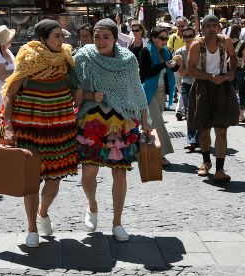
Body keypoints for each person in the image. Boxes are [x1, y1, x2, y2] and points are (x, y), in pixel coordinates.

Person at [70, 18, 152, 241]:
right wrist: (87, 94)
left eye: (106, 36)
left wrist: (145, 121)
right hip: (91, 122)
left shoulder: (127, 61)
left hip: (119, 123)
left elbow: (137, 93)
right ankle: (92, 205)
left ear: (116, 38)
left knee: (120, 174)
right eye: (96, 36)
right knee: (88, 173)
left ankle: (117, 222)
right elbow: (72, 84)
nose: (100, 41)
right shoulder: (84, 56)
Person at [0, 19, 79, 247]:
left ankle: (43, 212)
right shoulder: (28, 59)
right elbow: (10, 95)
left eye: (62, 35)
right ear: (43, 38)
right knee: (31, 181)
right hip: (30, 129)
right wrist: (9, 128)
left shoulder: (65, 58)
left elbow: (74, 84)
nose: (62, 40)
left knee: (54, 182)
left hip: (59, 130)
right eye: (57, 35)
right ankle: (32, 228)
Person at [187, 15, 240, 183]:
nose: (211, 28)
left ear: (219, 28)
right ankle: (205, 161)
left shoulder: (226, 41)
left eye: (214, 25)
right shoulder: (197, 45)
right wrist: (210, 77)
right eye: (208, 26)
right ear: (202, 28)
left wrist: (231, 72)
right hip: (203, 87)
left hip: (222, 87)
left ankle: (220, 169)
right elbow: (190, 69)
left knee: (221, 129)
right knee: (203, 129)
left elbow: (233, 57)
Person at [139, 25, 181, 167]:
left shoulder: (166, 52)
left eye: (166, 38)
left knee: (152, 124)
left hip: (163, 93)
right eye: (161, 38)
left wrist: (177, 65)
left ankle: (146, 152)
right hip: (149, 92)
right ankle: (161, 154)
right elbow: (147, 73)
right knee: (157, 123)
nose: (164, 41)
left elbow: (172, 68)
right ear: (153, 38)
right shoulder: (145, 52)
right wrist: (164, 65)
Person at [176, 26, 199, 152]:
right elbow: (182, 73)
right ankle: (191, 140)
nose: (188, 39)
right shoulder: (180, 52)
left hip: (200, 84)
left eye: (190, 36)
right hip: (187, 84)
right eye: (185, 36)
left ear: (195, 36)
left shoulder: (200, 49)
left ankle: (198, 138)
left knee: (199, 112)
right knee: (189, 112)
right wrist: (192, 69)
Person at [229, 24, 245, 123]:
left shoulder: (227, 42)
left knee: (231, 92)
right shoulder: (243, 43)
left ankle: (231, 113)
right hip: (241, 69)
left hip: (229, 69)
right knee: (242, 91)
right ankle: (241, 115)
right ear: (239, 32)